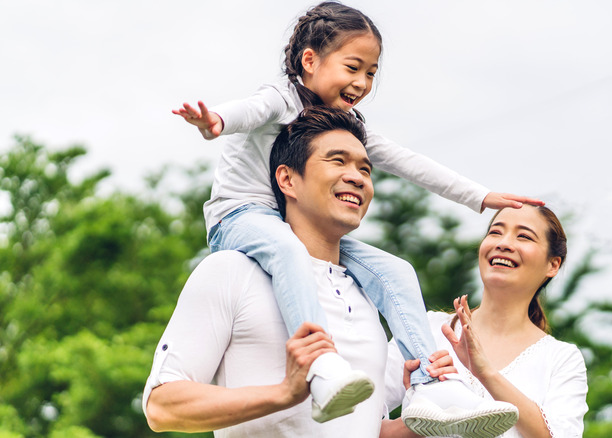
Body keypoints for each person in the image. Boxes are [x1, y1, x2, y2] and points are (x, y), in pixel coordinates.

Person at [171, 0, 539, 428]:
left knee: (395, 270)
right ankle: (321, 367)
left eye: (371, 72)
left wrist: (481, 196)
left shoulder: (344, 125)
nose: (362, 81)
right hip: (240, 217)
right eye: (353, 67)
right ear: (309, 61)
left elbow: (407, 161)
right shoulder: (279, 97)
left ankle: (430, 382)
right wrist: (216, 121)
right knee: (288, 250)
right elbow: (248, 112)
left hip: (289, 222)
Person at [143, 106, 518, 437]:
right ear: (287, 180)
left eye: (365, 169)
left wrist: (429, 421)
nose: (357, 177)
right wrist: (284, 393)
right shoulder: (231, 271)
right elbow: (162, 407)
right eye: (337, 161)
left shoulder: (370, 294)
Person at [382, 206, 589, 438]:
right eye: (495, 232)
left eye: (524, 236)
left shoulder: (561, 359)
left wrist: (485, 372)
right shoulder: (426, 329)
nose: (504, 243)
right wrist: (421, 417)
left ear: (553, 265)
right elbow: (354, 422)